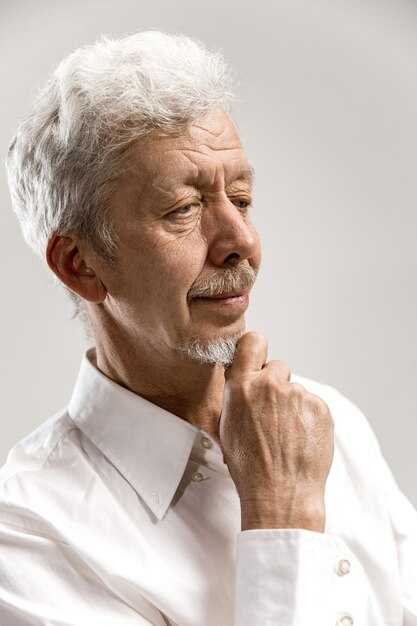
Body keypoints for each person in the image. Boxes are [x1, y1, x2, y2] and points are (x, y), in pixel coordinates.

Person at [1, 31, 416, 626]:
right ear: (81, 264)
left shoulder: (334, 423)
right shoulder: (26, 538)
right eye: (183, 210)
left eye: (241, 199)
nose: (242, 243)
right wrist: (283, 517)